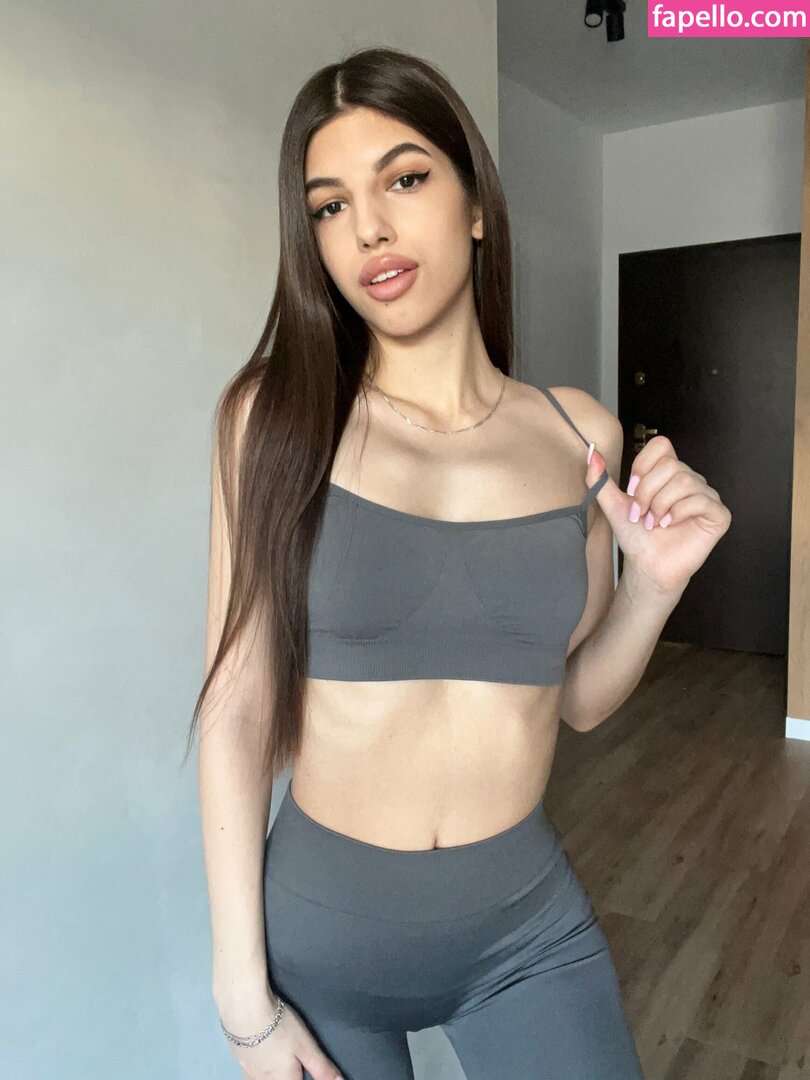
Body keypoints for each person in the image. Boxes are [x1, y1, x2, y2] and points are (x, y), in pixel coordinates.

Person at [187, 45, 732, 1080]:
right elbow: (238, 706)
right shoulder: (274, 419)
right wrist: (243, 1004)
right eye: (330, 205)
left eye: (403, 179)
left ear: (476, 204)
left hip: (523, 932)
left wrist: (655, 587)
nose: (369, 229)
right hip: (322, 938)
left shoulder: (578, 434)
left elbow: (576, 697)